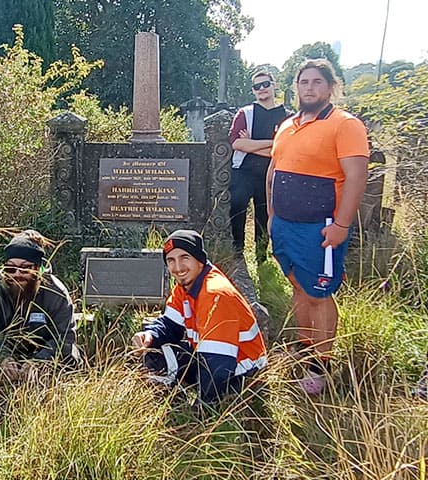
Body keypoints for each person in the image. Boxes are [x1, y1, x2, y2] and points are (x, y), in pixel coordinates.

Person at [266, 59, 369, 395]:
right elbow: (274, 172)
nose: (309, 88)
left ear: (330, 86)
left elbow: (356, 177)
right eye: (303, 82)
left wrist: (341, 225)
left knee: (319, 294)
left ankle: (319, 365)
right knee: (298, 286)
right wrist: (270, 216)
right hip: (284, 225)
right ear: (295, 87)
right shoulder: (286, 124)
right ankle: (304, 349)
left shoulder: (345, 124)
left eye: (316, 82)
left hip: (321, 227)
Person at [132, 230, 267, 406]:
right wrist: (149, 335)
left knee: (207, 391)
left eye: (184, 257)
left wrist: (201, 410)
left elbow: (218, 366)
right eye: (171, 260)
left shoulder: (215, 293)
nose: (178, 267)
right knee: (152, 353)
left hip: (243, 373)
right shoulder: (185, 286)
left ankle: (203, 407)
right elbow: (170, 325)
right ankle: (164, 402)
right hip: (210, 357)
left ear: (199, 259)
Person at [0, 230, 80, 379]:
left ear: (38, 268)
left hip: (46, 356)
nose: (17, 274)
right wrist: (2, 358)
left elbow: (65, 337)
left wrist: (38, 362)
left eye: (25, 268)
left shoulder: (56, 293)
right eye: (11, 268)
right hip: (8, 354)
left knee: (71, 356)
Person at [228, 71, 289, 263]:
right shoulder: (245, 113)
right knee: (237, 207)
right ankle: (237, 253)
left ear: (274, 85)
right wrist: (273, 143)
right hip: (244, 172)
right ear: (253, 90)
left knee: (264, 214)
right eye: (257, 86)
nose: (261, 89)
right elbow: (237, 143)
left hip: (271, 172)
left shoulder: (288, 116)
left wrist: (251, 144)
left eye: (265, 84)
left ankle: (261, 257)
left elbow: (287, 148)